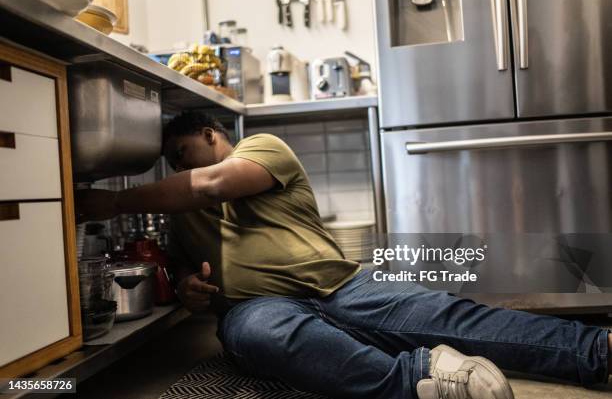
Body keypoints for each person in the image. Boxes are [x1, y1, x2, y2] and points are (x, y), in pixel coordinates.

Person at [76, 112, 611, 399]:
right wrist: (192, 287)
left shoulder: (260, 148)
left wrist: (117, 199)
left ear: (212, 136)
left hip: (341, 284)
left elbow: (213, 184)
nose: (176, 169)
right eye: (169, 163)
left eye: (181, 155)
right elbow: (186, 269)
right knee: (265, 338)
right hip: (256, 308)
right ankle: (425, 379)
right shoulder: (177, 209)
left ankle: (599, 349)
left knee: (448, 314)